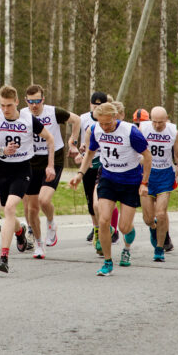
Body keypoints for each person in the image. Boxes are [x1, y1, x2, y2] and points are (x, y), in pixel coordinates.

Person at [69, 102, 149, 275]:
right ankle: (107, 262)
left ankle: (127, 246)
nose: (104, 127)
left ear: (115, 117)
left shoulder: (130, 132)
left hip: (130, 181)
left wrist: (144, 183)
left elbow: (147, 157)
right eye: (101, 123)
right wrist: (80, 174)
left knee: (124, 227)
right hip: (108, 178)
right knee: (104, 220)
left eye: (107, 123)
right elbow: (90, 153)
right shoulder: (96, 129)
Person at [0, 85, 55, 274]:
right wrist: (1, 150)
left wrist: (50, 165)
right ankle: (20, 230)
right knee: (7, 211)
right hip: (2, 170)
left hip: (22, 169)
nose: (5, 109)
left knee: (10, 208)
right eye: (2, 105)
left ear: (16, 102)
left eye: (9, 105)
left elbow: (50, 139)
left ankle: (4, 257)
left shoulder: (28, 119)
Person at [22, 84, 75, 257]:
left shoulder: (54, 112)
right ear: (26, 101)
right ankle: (38, 244)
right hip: (31, 161)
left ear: (43, 99)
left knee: (44, 200)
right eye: (30, 102)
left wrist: (73, 142)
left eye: (37, 101)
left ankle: (51, 223)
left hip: (53, 159)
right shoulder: (22, 114)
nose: (34, 105)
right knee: (32, 209)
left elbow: (77, 120)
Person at [140, 106, 178, 262]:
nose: (157, 125)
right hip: (147, 173)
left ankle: (159, 248)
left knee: (161, 213)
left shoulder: (172, 131)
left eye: (161, 122)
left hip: (165, 174)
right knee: (148, 218)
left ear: (166, 119)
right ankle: (153, 227)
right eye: (154, 122)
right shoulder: (143, 128)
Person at [70, 91, 108, 246]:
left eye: (100, 105)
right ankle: (96, 227)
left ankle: (105, 226)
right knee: (90, 198)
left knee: (102, 198)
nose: (97, 108)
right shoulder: (83, 118)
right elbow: (74, 140)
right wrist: (76, 150)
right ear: (90, 104)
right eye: (94, 105)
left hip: (104, 162)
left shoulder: (109, 120)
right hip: (89, 162)